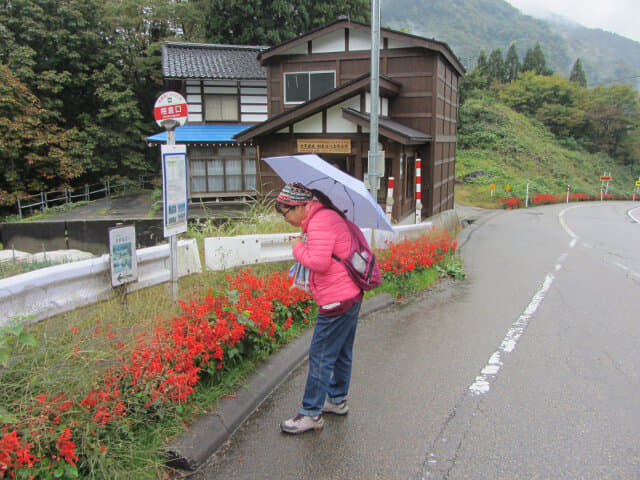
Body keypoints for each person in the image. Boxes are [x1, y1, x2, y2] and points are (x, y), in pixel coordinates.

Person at [275, 182, 364, 434]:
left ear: (300, 206)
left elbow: (319, 262)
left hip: (337, 299)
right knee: (341, 352)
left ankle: (311, 413)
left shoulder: (320, 221)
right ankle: (336, 400)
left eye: (285, 212)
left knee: (321, 355)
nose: (286, 218)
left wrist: (297, 248)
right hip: (350, 294)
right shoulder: (324, 215)